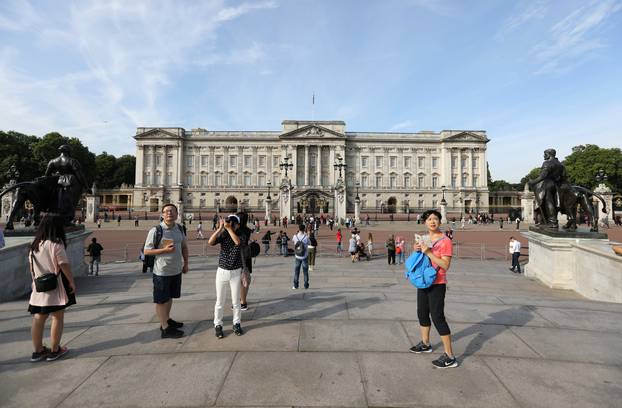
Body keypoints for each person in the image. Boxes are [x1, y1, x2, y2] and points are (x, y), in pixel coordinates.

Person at [409, 209, 457, 368]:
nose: (432, 221)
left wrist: (428, 252)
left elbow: (445, 265)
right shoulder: (424, 238)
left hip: (437, 283)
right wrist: (417, 250)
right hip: (423, 281)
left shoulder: (445, 241)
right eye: (429, 219)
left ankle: (450, 356)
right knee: (421, 313)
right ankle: (425, 343)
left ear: (440, 222)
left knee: (437, 317)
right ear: (425, 222)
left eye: (435, 219)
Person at [28, 214, 76, 362]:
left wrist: (34, 282)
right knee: (57, 316)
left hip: (38, 286)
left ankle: (38, 351)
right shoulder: (56, 243)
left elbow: (31, 268)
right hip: (55, 285)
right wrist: (71, 281)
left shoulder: (35, 244)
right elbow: (63, 264)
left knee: (38, 318)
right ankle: (55, 350)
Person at [143, 204, 189, 339]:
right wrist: (164, 250)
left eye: (172, 211)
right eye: (166, 211)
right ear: (162, 215)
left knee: (169, 297)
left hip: (175, 270)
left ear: (176, 214)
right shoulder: (156, 230)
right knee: (161, 300)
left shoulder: (179, 228)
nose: (169, 213)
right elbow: (147, 251)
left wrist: (186, 263)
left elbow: (184, 247)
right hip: (161, 271)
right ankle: (164, 328)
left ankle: (167, 319)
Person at [208, 214, 244, 338]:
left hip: (235, 272)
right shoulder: (223, 235)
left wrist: (229, 229)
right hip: (222, 271)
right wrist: (219, 228)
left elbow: (238, 243)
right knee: (220, 301)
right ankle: (218, 324)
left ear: (238, 225)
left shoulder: (241, 234)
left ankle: (237, 323)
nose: (231, 224)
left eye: (233, 223)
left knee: (236, 302)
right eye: (229, 222)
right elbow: (210, 242)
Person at [237, 212, 253, 311]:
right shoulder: (247, 230)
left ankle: (242, 302)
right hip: (247, 256)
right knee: (246, 278)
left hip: (239, 256)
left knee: (241, 280)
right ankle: (243, 299)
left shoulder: (237, 230)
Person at [292, 224, 310, 289]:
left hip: (297, 256)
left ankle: (295, 285)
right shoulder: (306, 237)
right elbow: (309, 243)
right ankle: (306, 285)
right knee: (305, 271)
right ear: (304, 229)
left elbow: (293, 242)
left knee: (296, 271)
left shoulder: (295, 236)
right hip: (304, 256)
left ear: (299, 229)